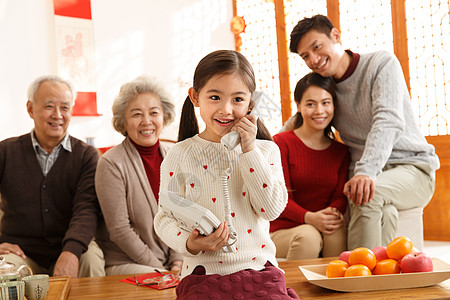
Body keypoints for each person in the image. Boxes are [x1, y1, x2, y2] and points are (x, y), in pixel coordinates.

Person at [154, 50, 299, 299]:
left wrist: (249, 150)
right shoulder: (179, 154)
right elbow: (164, 218)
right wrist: (191, 244)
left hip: (259, 270)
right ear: (195, 97)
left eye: (238, 99)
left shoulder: (266, 150)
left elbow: (271, 209)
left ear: (251, 103)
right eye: (214, 97)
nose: (226, 109)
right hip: (202, 273)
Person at [288, 14, 440, 250]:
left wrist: (366, 172)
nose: (314, 59)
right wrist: (262, 143)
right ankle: (386, 281)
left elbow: (387, 119)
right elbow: (299, 121)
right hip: (368, 174)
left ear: (335, 36)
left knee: (365, 194)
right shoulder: (325, 87)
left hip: (412, 168)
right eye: (305, 56)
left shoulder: (381, 63)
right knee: (385, 211)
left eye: (317, 47)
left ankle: (356, 278)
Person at [0, 75, 104, 277]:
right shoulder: (5, 151)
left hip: (72, 247)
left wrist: (71, 251)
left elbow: (87, 208)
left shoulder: (86, 156)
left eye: (65, 107)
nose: (58, 115)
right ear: (30, 109)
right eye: (49, 106)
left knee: (91, 259)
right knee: (5, 271)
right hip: (20, 253)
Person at [95, 76, 183, 275]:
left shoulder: (175, 155)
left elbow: (183, 217)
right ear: (123, 122)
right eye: (136, 114)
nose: (147, 121)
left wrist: (177, 262)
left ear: (164, 116)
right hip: (127, 262)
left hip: (173, 263)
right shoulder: (110, 163)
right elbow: (120, 230)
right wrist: (161, 271)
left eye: (154, 112)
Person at [270, 72, 350, 259]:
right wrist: (309, 218)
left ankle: (334, 288)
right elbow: (278, 198)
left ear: (334, 105)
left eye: (325, 102)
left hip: (322, 222)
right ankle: (292, 290)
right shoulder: (281, 143)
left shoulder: (342, 151)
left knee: (336, 233)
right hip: (282, 229)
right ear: (298, 106)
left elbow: (340, 197)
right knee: (308, 236)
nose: (319, 111)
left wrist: (328, 215)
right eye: (310, 104)